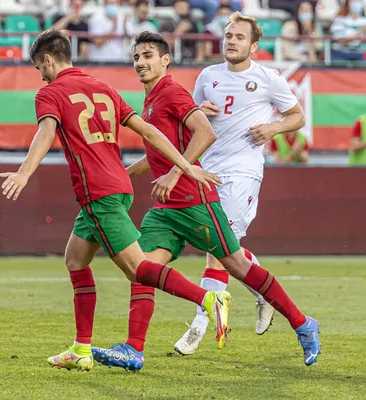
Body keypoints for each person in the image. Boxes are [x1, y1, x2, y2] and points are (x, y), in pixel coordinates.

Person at [0, 29, 229, 372]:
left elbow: (46, 133)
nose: (40, 74)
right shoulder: (103, 87)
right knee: (75, 260)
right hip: (116, 186)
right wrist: (185, 166)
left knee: (139, 269)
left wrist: (24, 173)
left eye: (39, 67)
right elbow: (150, 132)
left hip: (99, 193)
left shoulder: (50, 92)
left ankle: (207, 299)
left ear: (48, 60)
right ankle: (80, 349)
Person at [90, 31, 321, 371]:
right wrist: (123, 175)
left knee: (237, 266)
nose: (141, 62)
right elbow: (159, 154)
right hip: (166, 208)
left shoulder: (171, 92)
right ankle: (133, 350)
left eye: (149, 56)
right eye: (137, 57)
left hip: (195, 202)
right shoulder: (151, 100)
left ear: (165, 60)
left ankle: (303, 323)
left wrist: (173, 174)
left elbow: (206, 133)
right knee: (142, 270)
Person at [173, 12, 314, 355]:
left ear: (253, 45)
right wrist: (198, 110)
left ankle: (198, 325)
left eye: (239, 37)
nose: (232, 41)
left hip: (244, 172)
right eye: (229, 35)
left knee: (216, 251)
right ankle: (262, 291)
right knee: (223, 246)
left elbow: (298, 116)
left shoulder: (269, 78)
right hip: (208, 171)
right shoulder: (208, 75)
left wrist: (273, 128)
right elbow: (192, 119)